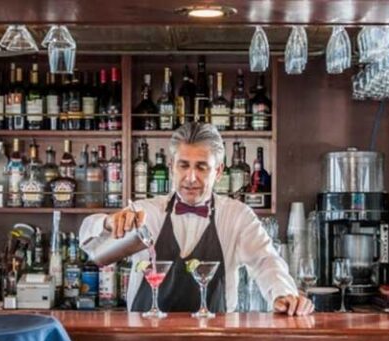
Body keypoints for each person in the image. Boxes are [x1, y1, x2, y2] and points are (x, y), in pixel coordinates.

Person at [80, 122, 313, 315]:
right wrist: (107, 222)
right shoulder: (146, 212)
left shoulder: (237, 216)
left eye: (202, 167)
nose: (191, 177)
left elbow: (266, 261)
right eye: (184, 166)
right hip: (146, 339)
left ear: (219, 171)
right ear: (172, 167)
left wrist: (283, 294)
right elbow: (92, 249)